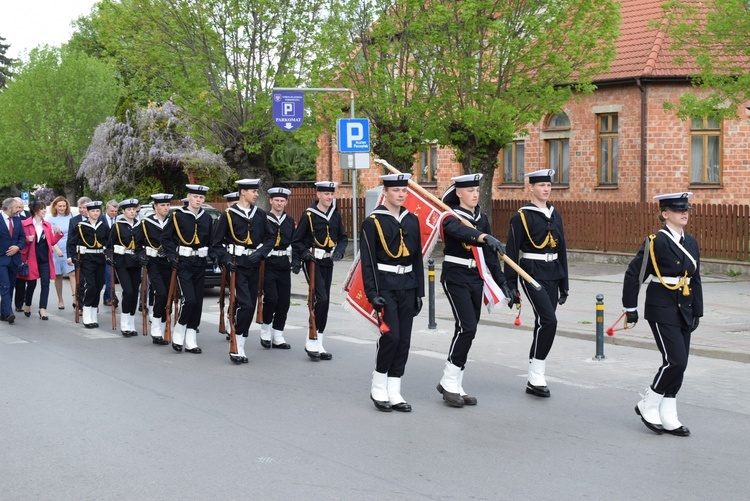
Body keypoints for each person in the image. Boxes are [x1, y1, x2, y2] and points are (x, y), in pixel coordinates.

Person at [622, 192, 702, 437]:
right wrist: (631, 308)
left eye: (686, 209)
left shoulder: (691, 242)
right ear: (665, 214)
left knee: (681, 364)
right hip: (661, 307)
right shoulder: (655, 241)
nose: (684, 213)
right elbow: (634, 274)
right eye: (678, 210)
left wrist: (697, 310)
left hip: (684, 307)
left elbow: (695, 278)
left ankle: (669, 415)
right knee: (674, 360)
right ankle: (648, 402)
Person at [435, 174, 509, 408]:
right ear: (459, 193)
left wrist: (503, 282)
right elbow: (459, 232)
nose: (475, 194)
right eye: (470, 190)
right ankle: (449, 381)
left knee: (468, 329)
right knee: (467, 326)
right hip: (455, 276)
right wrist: (483, 237)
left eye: (477, 190)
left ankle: (455, 382)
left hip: (476, 277)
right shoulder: (450, 216)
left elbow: (489, 256)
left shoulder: (481, 217)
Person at [361, 174, 424, 412]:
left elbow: (417, 256)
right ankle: (378, 385)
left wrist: (419, 291)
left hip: (407, 284)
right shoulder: (373, 221)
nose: (401, 195)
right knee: (392, 337)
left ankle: (395, 389)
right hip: (385, 284)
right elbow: (367, 261)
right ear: (385, 192)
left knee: (405, 340)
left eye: (404, 191)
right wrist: (371, 293)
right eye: (396, 190)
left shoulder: (411, 220)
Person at [504, 169, 569, 398]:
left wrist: (565, 283)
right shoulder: (522, 216)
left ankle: (535, 374)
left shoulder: (555, 214)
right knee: (549, 321)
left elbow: (561, 249)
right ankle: (536, 374)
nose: (546, 189)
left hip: (553, 272)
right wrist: (510, 285)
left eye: (548, 185)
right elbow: (510, 251)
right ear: (530, 188)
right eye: (541, 185)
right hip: (531, 273)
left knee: (544, 323)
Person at [212, 179, 273, 363]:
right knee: (244, 304)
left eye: (257, 191)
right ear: (243, 192)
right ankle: (236, 342)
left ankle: (241, 344)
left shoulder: (260, 215)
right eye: (253, 191)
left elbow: (270, 238)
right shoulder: (228, 215)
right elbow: (217, 243)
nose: (256, 194)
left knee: (251, 305)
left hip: (254, 264)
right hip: (236, 264)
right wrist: (226, 260)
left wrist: (261, 253)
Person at [291, 181, 348, 361]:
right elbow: (297, 240)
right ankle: (311, 337)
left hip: (327, 261)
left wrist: (339, 251)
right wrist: (305, 254)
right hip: (313, 261)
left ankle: (319, 341)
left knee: (325, 301)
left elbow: (343, 238)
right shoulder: (309, 215)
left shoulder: (335, 215)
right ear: (318, 195)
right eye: (326, 194)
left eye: (331, 194)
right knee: (320, 299)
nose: (329, 197)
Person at [162, 184, 214, 354]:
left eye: (201, 197)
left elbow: (212, 241)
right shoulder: (177, 216)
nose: (198, 200)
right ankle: (179, 330)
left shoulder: (207, 218)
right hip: (183, 262)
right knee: (189, 299)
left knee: (198, 301)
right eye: (195, 197)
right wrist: (171, 256)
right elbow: (166, 237)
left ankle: (191, 338)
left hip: (200, 262)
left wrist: (215, 257)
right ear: (189, 197)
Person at [135, 193, 174, 345]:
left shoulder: (172, 222)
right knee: (161, 293)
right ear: (155, 207)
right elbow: (138, 245)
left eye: (167, 205)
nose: (166, 208)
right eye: (162, 205)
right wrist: (141, 256)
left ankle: (164, 326)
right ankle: (156, 327)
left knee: (169, 296)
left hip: (169, 263)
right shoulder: (146, 223)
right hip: (154, 262)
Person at [259, 187, 295, 350]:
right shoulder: (263, 219)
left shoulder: (289, 221)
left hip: (283, 263)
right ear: (271, 201)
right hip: (268, 263)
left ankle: (278, 334)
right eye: (277, 200)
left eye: (282, 200)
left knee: (284, 301)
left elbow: (295, 242)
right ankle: (266, 329)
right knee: (271, 298)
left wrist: (296, 260)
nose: (279, 203)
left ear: (286, 202)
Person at [17, 201, 63, 320]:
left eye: (44, 209)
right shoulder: (24, 224)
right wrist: (27, 239)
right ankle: (27, 304)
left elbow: (51, 242)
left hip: (44, 258)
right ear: (35, 210)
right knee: (31, 283)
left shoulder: (47, 225)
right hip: (30, 258)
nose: (44, 211)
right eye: (42, 208)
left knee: (45, 283)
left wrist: (58, 234)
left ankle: (42, 308)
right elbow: (19, 239)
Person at [67, 201, 109, 328]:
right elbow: (71, 243)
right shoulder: (81, 226)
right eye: (93, 211)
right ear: (88, 212)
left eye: (97, 211)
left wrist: (109, 252)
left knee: (98, 285)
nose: (95, 213)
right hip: (87, 259)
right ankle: (86, 312)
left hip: (100, 258)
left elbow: (109, 242)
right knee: (90, 285)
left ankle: (93, 313)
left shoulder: (104, 226)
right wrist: (74, 257)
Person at [108, 198, 142, 337]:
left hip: (135, 262)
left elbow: (142, 244)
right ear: (123, 211)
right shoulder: (118, 225)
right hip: (122, 262)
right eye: (129, 209)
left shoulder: (140, 225)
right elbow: (110, 244)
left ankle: (132, 323)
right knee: (127, 291)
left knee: (134, 292)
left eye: (134, 209)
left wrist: (141, 255)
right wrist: (109, 257)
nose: (132, 212)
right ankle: (125, 323)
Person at [48, 196, 76, 310]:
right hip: (57, 249)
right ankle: (60, 299)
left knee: (73, 273)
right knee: (58, 275)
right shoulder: (51, 219)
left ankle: (75, 298)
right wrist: (56, 249)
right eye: (60, 206)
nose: (62, 208)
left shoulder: (71, 216)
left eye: (64, 206)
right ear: (55, 206)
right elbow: (50, 236)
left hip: (69, 249)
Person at [1, 198, 25, 324]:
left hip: (14, 259)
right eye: (16, 208)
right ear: (9, 208)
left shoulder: (17, 220)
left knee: (10, 286)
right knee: (5, 285)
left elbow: (22, 237)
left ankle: (3, 312)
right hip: (1, 259)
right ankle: (9, 312)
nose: (19, 210)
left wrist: (18, 247)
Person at [67, 196, 91, 312]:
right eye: (80, 207)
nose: (82, 210)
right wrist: (70, 256)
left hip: (93, 255)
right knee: (80, 282)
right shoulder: (74, 220)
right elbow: (70, 240)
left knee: (93, 283)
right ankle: (80, 306)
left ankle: (91, 304)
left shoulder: (98, 218)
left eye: (84, 207)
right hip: (79, 255)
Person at [13, 197, 31, 313]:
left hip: (23, 251)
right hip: (10, 251)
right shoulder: (8, 218)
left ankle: (20, 303)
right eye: (17, 207)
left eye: (20, 207)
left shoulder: (26, 217)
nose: (19, 209)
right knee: (13, 280)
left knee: (21, 279)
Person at [103, 199, 119, 307]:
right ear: (107, 209)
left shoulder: (119, 220)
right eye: (112, 211)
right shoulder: (101, 219)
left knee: (113, 275)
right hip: (105, 252)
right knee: (109, 275)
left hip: (117, 251)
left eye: (115, 211)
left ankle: (108, 296)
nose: (114, 213)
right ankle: (110, 297)